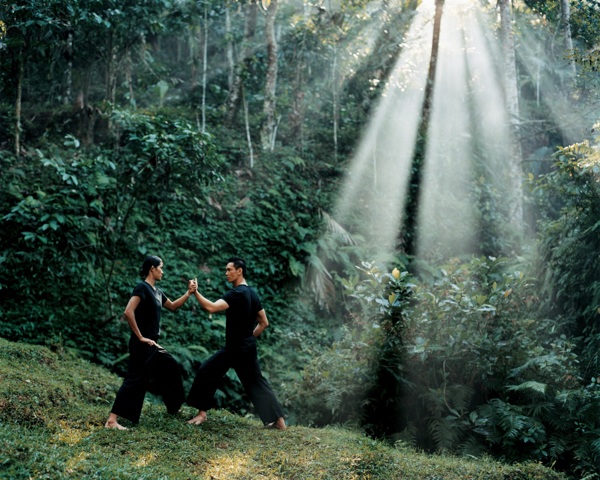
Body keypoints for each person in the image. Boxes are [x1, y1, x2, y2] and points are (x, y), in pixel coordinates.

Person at [186, 257, 286, 430]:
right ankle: (279, 422)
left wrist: (195, 293)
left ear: (239, 271)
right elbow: (264, 322)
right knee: (257, 382)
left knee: (207, 370)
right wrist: (249, 338)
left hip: (234, 348)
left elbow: (211, 307)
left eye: (229, 270)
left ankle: (201, 414)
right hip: (247, 346)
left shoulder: (236, 294)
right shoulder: (252, 293)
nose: (226, 273)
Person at [105, 255, 196, 430]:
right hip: (142, 343)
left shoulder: (158, 292)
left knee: (170, 366)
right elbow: (128, 312)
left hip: (152, 344)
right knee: (134, 379)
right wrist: (140, 337)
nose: (162, 271)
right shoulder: (142, 288)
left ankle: (173, 408)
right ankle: (111, 420)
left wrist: (189, 293)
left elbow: (174, 306)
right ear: (152, 269)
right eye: (160, 267)